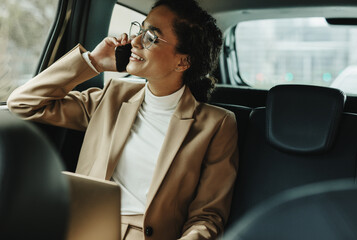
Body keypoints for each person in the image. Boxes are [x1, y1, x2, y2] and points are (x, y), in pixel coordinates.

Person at [7, 0, 238, 239]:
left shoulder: (217, 124)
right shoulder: (113, 96)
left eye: (151, 37)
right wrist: (92, 62)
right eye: (140, 30)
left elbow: (207, 216)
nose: (135, 41)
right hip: (84, 226)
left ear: (183, 62)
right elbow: (23, 103)